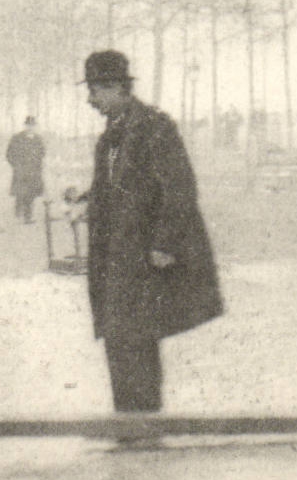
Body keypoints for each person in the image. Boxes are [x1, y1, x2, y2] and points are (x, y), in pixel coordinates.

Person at [78, 50, 223, 413]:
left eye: (95, 91)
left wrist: (165, 242)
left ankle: (140, 422)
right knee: (119, 338)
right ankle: (130, 420)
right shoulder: (111, 136)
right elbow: (119, 186)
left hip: (143, 257)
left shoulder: (155, 127)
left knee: (136, 338)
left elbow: (180, 187)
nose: (90, 101)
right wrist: (88, 198)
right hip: (116, 258)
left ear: (115, 88)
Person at [5, 116, 46, 224]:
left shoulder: (38, 139)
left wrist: (38, 167)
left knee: (31, 194)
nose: (30, 127)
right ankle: (19, 211)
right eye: (28, 125)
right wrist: (16, 165)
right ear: (25, 126)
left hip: (34, 173)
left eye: (32, 125)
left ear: (35, 126)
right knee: (21, 193)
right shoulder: (17, 138)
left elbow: (42, 154)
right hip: (21, 172)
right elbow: (9, 154)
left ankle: (28, 216)